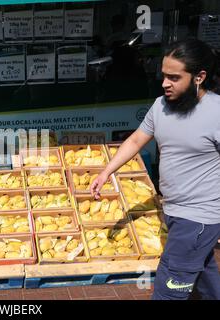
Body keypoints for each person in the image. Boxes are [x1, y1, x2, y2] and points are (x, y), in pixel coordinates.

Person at [90, 39, 220, 300]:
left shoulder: (216, 112)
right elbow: (137, 139)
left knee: (169, 288)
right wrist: (107, 171)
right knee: (205, 277)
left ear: (199, 77)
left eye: (174, 77)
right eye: (163, 76)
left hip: (198, 217)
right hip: (172, 209)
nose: (165, 84)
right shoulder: (161, 106)